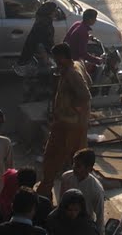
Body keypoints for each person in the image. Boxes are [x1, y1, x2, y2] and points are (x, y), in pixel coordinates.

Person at [37, 44, 92, 201]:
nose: (55, 62)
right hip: (74, 124)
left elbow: (85, 95)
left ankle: (45, 193)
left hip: (68, 125)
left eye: (56, 59)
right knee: (76, 160)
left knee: (52, 157)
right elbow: (89, 82)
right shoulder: (76, 66)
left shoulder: (72, 74)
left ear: (62, 57)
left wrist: (73, 109)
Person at [59, 150, 104, 234]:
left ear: (89, 169)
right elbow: (61, 203)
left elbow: (100, 217)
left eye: (78, 166)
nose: (74, 167)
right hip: (65, 222)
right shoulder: (66, 177)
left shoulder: (96, 189)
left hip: (84, 227)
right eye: (74, 164)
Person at [18, 2, 57, 66]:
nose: (56, 13)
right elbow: (43, 43)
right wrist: (49, 58)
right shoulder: (44, 25)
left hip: (35, 57)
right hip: (39, 60)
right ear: (50, 12)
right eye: (55, 10)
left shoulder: (42, 21)